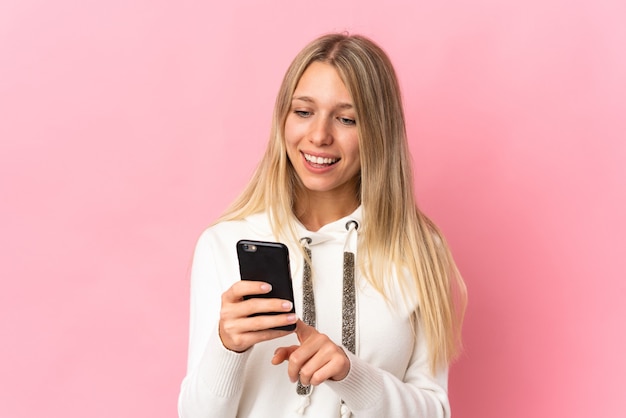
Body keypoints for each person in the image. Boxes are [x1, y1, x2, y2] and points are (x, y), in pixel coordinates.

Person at [178, 33, 467, 418]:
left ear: (378, 132)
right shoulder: (224, 243)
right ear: (283, 118)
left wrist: (353, 375)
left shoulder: (418, 248)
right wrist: (227, 347)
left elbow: (435, 411)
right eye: (303, 112)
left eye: (346, 119)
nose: (319, 136)